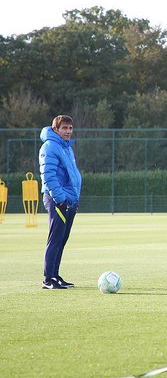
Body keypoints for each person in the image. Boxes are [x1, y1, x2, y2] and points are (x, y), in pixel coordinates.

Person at [39, 115, 82, 290]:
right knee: (55, 239)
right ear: (55, 129)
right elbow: (48, 177)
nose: (68, 131)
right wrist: (61, 199)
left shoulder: (66, 148)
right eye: (64, 128)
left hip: (69, 200)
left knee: (62, 239)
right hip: (58, 200)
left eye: (70, 128)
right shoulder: (49, 147)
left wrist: (73, 199)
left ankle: (55, 276)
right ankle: (48, 279)